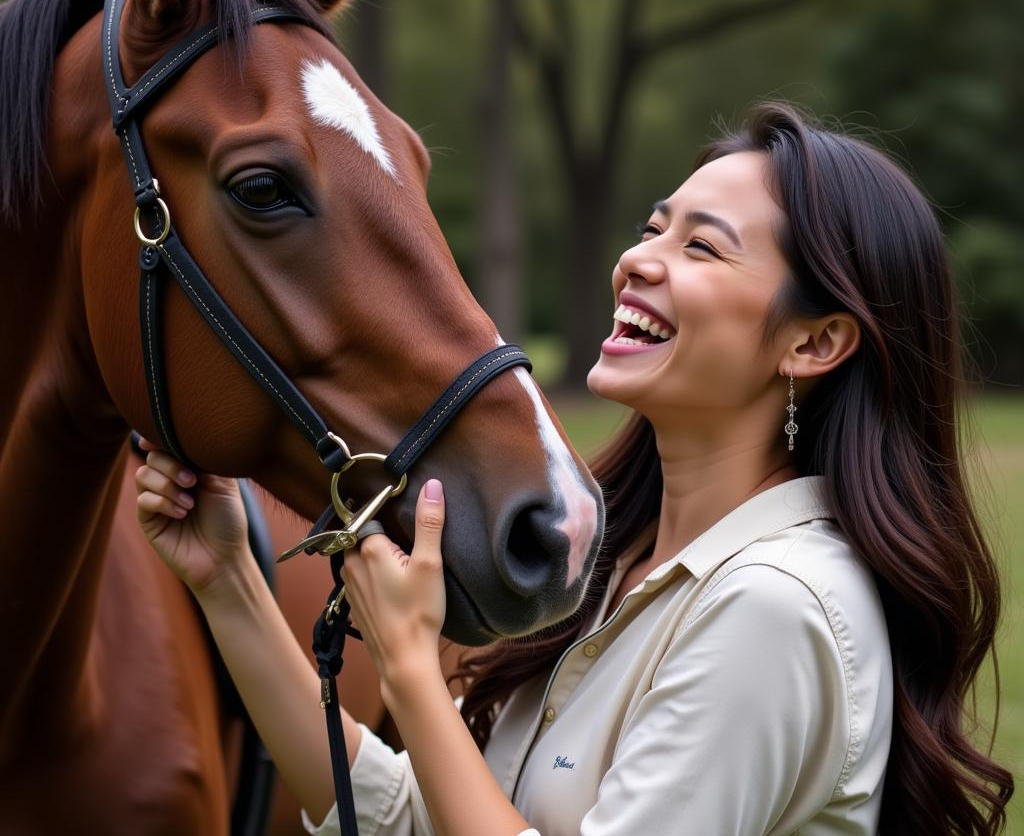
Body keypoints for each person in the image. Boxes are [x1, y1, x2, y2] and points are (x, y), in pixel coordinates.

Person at [136, 103, 1014, 836]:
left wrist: (409, 664)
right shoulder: (614, 570)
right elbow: (418, 822)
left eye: (702, 248)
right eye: (653, 227)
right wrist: (230, 586)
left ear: (814, 341)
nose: (638, 259)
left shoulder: (775, 610)